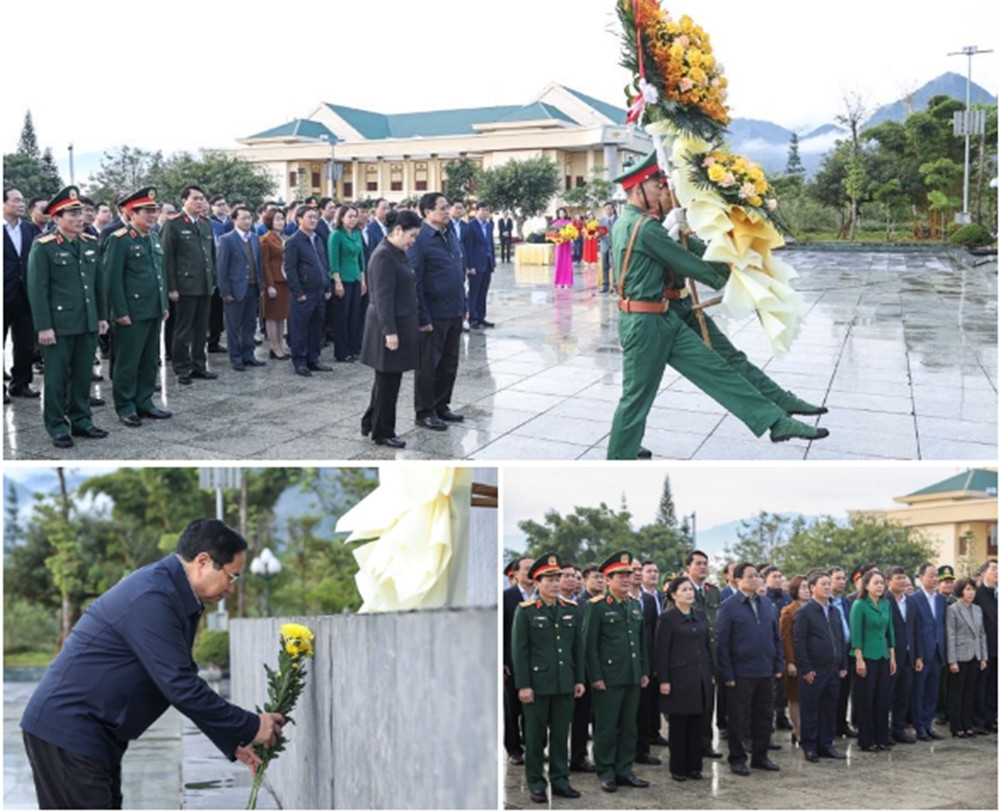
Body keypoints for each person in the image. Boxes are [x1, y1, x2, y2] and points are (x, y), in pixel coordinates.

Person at [20, 519, 285, 809]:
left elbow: (180, 679)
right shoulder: (153, 596)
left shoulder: (172, 592)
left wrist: (232, 740)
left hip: (92, 735)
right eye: (231, 577)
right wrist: (250, 725)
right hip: (68, 730)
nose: (231, 589)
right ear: (203, 562)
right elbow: (180, 685)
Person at [605, 152, 829, 459]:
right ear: (638, 188)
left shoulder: (636, 223)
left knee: (718, 371)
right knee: (636, 398)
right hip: (644, 324)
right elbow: (691, 265)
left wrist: (739, 259)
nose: (661, 191)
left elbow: (690, 252)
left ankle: (775, 421)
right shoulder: (643, 227)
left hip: (663, 318)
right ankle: (620, 456)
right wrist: (733, 273)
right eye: (658, 186)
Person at [26, 186, 109, 448]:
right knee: (56, 378)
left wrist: (102, 316)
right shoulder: (44, 246)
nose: (79, 218)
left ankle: (81, 420)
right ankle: (57, 425)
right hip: (59, 325)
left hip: (87, 321)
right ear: (56, 218)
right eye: (72, 215)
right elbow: (37, 290)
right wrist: (43, 326)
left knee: (83, 375)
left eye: (80, 213)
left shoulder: (89, 243)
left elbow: (98, 284)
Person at [511, 554, 585, 802]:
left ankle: (560, 780)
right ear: (537, 582)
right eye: (549, 580)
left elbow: (577, 648)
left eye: (557, 579)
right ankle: (536, 782)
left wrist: (578, 679)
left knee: (561, 735)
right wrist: (523, 685)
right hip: (538, 684)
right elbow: (520, 652)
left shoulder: (570, 609)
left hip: (564, 682)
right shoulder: (526, 611)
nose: (555, 584)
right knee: (534, 737)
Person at [103, 187, 172, 427]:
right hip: (131, 312)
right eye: (146, 212)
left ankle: (145, 401)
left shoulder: (152, 237)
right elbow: (112, 279)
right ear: (131, 213)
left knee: (149, 359)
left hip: (152, 309)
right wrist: (120, 312)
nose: (152, 216)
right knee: (128, 361)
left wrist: (163, 304)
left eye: (154, 211)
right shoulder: (119, 239)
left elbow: (159, 275)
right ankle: (125, 406)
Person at [582, 551, 649, 793]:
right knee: (607, 728)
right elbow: (589, 645)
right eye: (619, 576)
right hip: (608, 678)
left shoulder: (634, 605)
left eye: (627, 575)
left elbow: (641, 642)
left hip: (632, 676)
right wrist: (595, 676)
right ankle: (606, 771)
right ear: (608, 580)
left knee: (629, 726)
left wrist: (643, 670)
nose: (625, 579)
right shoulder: (597, 606)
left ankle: (624, 770)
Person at [359, 209, 422, 448]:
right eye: (411, 235)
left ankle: (370, 421)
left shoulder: (396, 252)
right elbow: (382, 299)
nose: (413, 241)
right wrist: (390, 332)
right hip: (387, 326)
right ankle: (383, 432)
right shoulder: (384, 256)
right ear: (397, 231)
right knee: (388, 382)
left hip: (398, 323)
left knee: (385, 379)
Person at [715, 562, 783, 776]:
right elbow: (722, 644)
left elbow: (776, 637)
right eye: (751, 576)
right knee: (738, 718)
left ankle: (760, 757)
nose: (757, 580)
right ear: (737, 580)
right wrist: (727, 673)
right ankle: (737, 758)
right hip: (740, 672)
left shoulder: (767, 604)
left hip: (765, 670)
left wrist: (778, 663)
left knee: (764, 716)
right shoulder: (728, 607)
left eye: (758, 576)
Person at [409, 192, 466, 431]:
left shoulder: (449, 233)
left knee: (449, 363)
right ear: (427, 212)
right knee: (428, 365)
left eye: (447, 207)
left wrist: (464, 304)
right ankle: (425, 411)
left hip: (454, 308)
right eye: (442, 208)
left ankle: (441, 405)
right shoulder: (420, 239)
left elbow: (458, 270)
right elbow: (415, 281)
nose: (447, 211)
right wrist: (422, 316)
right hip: (433, 313)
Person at [656, 575, 714, 782]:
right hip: (678, 678)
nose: (689, 593)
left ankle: (694, 767)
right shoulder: (667, 618)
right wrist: (663, 680)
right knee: (679, 725)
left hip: (700, 677)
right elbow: (661, 651)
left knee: (697, 723)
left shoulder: (699, 615)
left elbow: (707, 645)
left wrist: (711, 671)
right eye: (684, 590)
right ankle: (678, 768)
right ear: (673, 595)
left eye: (691, 590)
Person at [161, 185, 219, 386]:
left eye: (201, 198)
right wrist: (171, 287)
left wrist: (213, 280)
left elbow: (211, 254)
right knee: (183, 329)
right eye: (195, 198)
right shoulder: (174, 224)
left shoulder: (205, 223)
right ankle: (182, 367)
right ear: (184, 201)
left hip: (204, 283)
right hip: (185, 285)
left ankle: (199, 365)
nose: (199, 202)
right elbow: (167, 258)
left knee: (202, 329)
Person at [792, 570, 847, 762]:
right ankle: (809, 747)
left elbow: (840, 638)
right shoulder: (805, 612)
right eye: (823, 584)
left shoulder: (834, 611)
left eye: (828, 584)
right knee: (810, 711)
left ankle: (826, 745)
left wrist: (843, 663)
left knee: (829, 710)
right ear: (812, 587)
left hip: (833, 668)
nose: (827, 587)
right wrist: (806, 668)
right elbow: (799, 641)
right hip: (814, 669)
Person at [850, 569, 896, 751]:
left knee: (882, 698)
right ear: (866, 585)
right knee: (866, 699)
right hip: (866, 656)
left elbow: (890, 631)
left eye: (881, 583)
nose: (879, 586)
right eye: (875, 583)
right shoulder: (859, 605)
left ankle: (881, 738)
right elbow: (856, 634)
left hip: (883, 655)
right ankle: (867, 740)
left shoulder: (886, 604)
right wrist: (859, 659)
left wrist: (892, 656)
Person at [284, 206, 333, 377]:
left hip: (319, 291)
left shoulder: (317, 239)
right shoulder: (294, 241)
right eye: (310, 217)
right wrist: (298, 292)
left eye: (315, 217)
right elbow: (290, 269)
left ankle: (314, 358)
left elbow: (323, 264)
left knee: (316, 327)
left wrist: (327, 286)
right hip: (304, 292)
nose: (313, 220)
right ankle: (300, 361)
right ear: (299, 219)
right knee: (300, 328)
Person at [216, 205, 265, 372]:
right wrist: (225, 291)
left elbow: (258, 263)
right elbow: (222, 267)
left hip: (253, 287)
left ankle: (248, 355)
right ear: (234, 220)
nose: (247, 221)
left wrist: (261, 285)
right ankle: (236, 358)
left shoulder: (254, 238)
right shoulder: (227, 240)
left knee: (250, 324)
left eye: (249, 218)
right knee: (234, 326)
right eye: (243, 218)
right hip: (235, 289)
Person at [4, 188, 39, 402]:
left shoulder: (29, 229)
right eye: (16, 200)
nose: (21, 204)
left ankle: (21, 383)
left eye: (22, 201)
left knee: (25, 343)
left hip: (25, 294)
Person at [947, 577, 988, 737]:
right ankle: (957, 726)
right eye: (967, 589)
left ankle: (968, 725)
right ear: (960, 591)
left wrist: (983, 657)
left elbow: (981, 634)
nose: (971, 593)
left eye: (973, 589)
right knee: (957, 693)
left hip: (975, 655)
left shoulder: (977, 609)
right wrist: (952, 660)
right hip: (960, 655)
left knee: (970, 693)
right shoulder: (953, 609)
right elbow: (950, 635)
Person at [503, 556, 535, 766]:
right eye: (526, 569)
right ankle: (514, 749)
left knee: (534, 709)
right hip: (512, 662)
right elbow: (502, 631)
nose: (530, 573)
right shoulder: (507, 597)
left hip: (538, 662)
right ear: (515, 574)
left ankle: (534, 747)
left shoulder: (542, 595)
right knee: (512, 708)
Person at [910, 562, 947, 741]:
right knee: (919, 691)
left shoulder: (941, 599)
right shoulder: (913, 599)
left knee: (933, 691)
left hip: (938, 651)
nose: (934, 579)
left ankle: (928, 724)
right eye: (930, 576)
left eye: (936, 576)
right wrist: (917, 654)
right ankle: (919, 727)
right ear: (921, 578)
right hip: (922, 652)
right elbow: (913, 629)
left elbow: (942, 625)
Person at [886, 567, 922, 743]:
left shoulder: (911, 602)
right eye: (898, 578)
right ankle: (884, 731)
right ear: (888, 582)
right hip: (891, 657)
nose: (902, 581)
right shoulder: (884, 601)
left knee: (904, 695)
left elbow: (916, 630)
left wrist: (918, 655)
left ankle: (898, 729)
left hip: (909, 657)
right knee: (887, 696)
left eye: (904, 577)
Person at [328, 204, 366, 362]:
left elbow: (361, 258)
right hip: (342, 279)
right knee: (342, 317)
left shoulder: (357, 233)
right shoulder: (336, 235)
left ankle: (354, 348)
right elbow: (333, 261)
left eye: (355, 216)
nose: (353, 219)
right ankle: (342, 352)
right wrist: (337, 282)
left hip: (356, 278)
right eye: (350, 216)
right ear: (341, 218)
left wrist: (363, 279)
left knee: (354, 316)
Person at [779, 575, 809, 745]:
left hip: (811, 658)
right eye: (803, 587)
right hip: (795, 659)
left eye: (808, 587)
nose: (807, 591)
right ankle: (797, 729)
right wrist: (790, 661)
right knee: (795, 696)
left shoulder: (813, 608)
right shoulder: (788, 611)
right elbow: (786, 637)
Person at [258, 208, 290, 360]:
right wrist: (269, 284)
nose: (280, 222)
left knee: (281, 315)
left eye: (282, 219)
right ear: (270, 221)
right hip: (273, 281)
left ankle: (281, 345)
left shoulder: (283, 238)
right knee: (272, 316)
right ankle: (274, 346)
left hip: (284, 280)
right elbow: (265, 264)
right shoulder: (266, 239)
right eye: (277, 219)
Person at [463, 203, 496, 329]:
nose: (485, 213)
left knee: (483, 291)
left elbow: (490, 244)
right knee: (474, 292)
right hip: (476, 264)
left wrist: (492, 261)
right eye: (482, 210)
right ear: (477, 211)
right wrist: (470, 265)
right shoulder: (471, 226)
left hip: (487, 263)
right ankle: (473, 318)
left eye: (487, 210)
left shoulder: (489, 225)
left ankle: (481, 317)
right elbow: (469, 246)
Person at [974, 560, 998, 732]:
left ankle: (992, 719)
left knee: (994, 687)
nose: (998, 572)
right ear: (983, 574)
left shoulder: (997, 594)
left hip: (997, 649)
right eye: (994, 569)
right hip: (983, 649)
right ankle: (979, 720)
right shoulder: (977, 595)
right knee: (981, 687)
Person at [552, 207, 573, 288]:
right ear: (558, 214)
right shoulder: (555, 223)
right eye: (560, 213)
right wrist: (555, 238)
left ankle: (567, 282)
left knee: (567, 262)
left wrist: (568, 236)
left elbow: (572, 233)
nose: (562, 214)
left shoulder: (569, 223)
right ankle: (559, 282)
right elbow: (552, 233)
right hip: (559, 245)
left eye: (563, 212)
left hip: (566, 245)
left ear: (565, 213)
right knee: (559, 262)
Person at [598, 202, 617, 293]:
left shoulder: (618, 220)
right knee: (605, 266)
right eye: (606, 209)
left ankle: (616, 285)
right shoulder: (601, 220)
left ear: (613, 209)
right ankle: (605, 285)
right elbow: (599, 232)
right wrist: (598, 234)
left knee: (614, 265)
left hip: (614, 245)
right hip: (604, 245)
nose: (608, 211)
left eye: (609, 208)